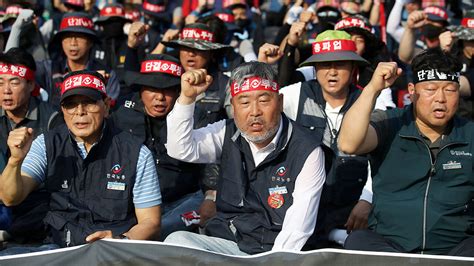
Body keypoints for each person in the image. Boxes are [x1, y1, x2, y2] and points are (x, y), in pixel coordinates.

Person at [164, 61, 326, 255]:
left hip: (273, 252)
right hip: (229, 244)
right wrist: (187, 99)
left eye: (264, 100)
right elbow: (180, 149)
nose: (255, 111)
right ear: (233, 106)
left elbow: (298, 227)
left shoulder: (308, 150)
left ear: (280, 102)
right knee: (176, 241)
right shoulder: (226, 132)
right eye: (244, 102)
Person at [0, 70, 161, 254]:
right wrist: (15, 160)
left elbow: (151, 222)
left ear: (107, 106)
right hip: (58, 249)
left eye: (89, 103)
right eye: (71, 105)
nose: (80, 112)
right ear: (62, 110)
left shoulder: (136, 152)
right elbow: (10, 197)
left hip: (114, 252)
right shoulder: (46, 144)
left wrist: (120, 240)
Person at [339, 48, 474, 256]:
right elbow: (348, 144)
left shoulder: (470, 133)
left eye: (449, 90)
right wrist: (373, 88)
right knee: (358, 242)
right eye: (430, 89)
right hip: (391, 246)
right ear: (412, 90)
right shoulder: (389, 123)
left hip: (455, 249)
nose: (441, 98)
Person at [279, 30, 375, 248]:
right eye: (324, 65)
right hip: (307, 204)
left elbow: (383, 157)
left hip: (353, 205)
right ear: (315, 69)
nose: (332, 72)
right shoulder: (295, 95)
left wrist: (367, 199)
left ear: (353, 69)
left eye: (340, 64)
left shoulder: (368, 101)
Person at [110, 54, 204, 240]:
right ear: (140, 89)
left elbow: (212, 171)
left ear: (179, 91)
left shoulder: (196, 116)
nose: (160, 97)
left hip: (183, 202)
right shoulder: (120, 114)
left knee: (162, 231)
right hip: (133, 207)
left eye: (168, 89)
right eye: (153, 88)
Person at [0, 48, 59, 243]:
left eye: (14, 82)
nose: (6, 90)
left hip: (37, 199)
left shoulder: (52, 119)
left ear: (31, 84)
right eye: (0, 83)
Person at [35, 12, 120, 108]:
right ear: (61, 41)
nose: (73, 42)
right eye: (67, 36)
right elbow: (18, 68)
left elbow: (108, 111)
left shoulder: (107, 75)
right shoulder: (49, 68)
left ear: (91, 42)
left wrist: (99, 89)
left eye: (79, 36)